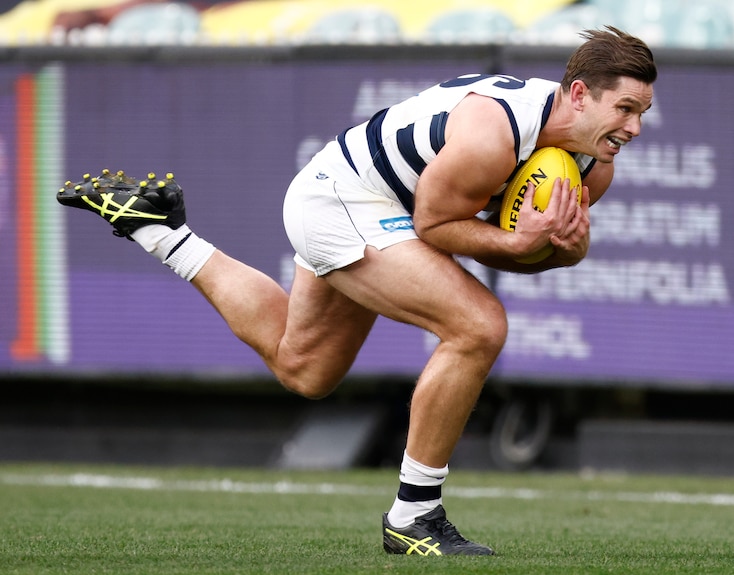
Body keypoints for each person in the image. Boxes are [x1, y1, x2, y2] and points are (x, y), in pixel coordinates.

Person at [58, 26, 656, 556]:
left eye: (642, 113)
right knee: (479, 325)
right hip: (343, 201)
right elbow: (436, 228)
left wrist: (563, 251)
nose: (633, 127)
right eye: (625, 108)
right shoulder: (494, 133)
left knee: (304, 368)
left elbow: (523, 251)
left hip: (375, 205)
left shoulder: (592, 165)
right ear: (579, 93)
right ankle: (414, 516)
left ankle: (161, 232)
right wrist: (527, 246)